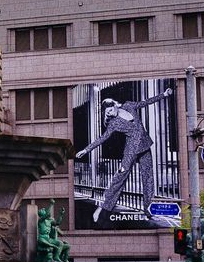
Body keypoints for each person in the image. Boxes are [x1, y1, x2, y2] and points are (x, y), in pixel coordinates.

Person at [74, 88, 175, 223]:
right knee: (120, 178)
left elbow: (145, 102)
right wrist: (86, 150)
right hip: (130, 151)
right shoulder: (113, 123)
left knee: (148, 178)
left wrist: (164, 95)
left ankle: (148, 209)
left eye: (110, 110)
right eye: (107, 113)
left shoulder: (129, 105)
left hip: (144, 145)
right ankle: (104, 206)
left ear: (115, 105)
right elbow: (102, 138)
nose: (109, 114)